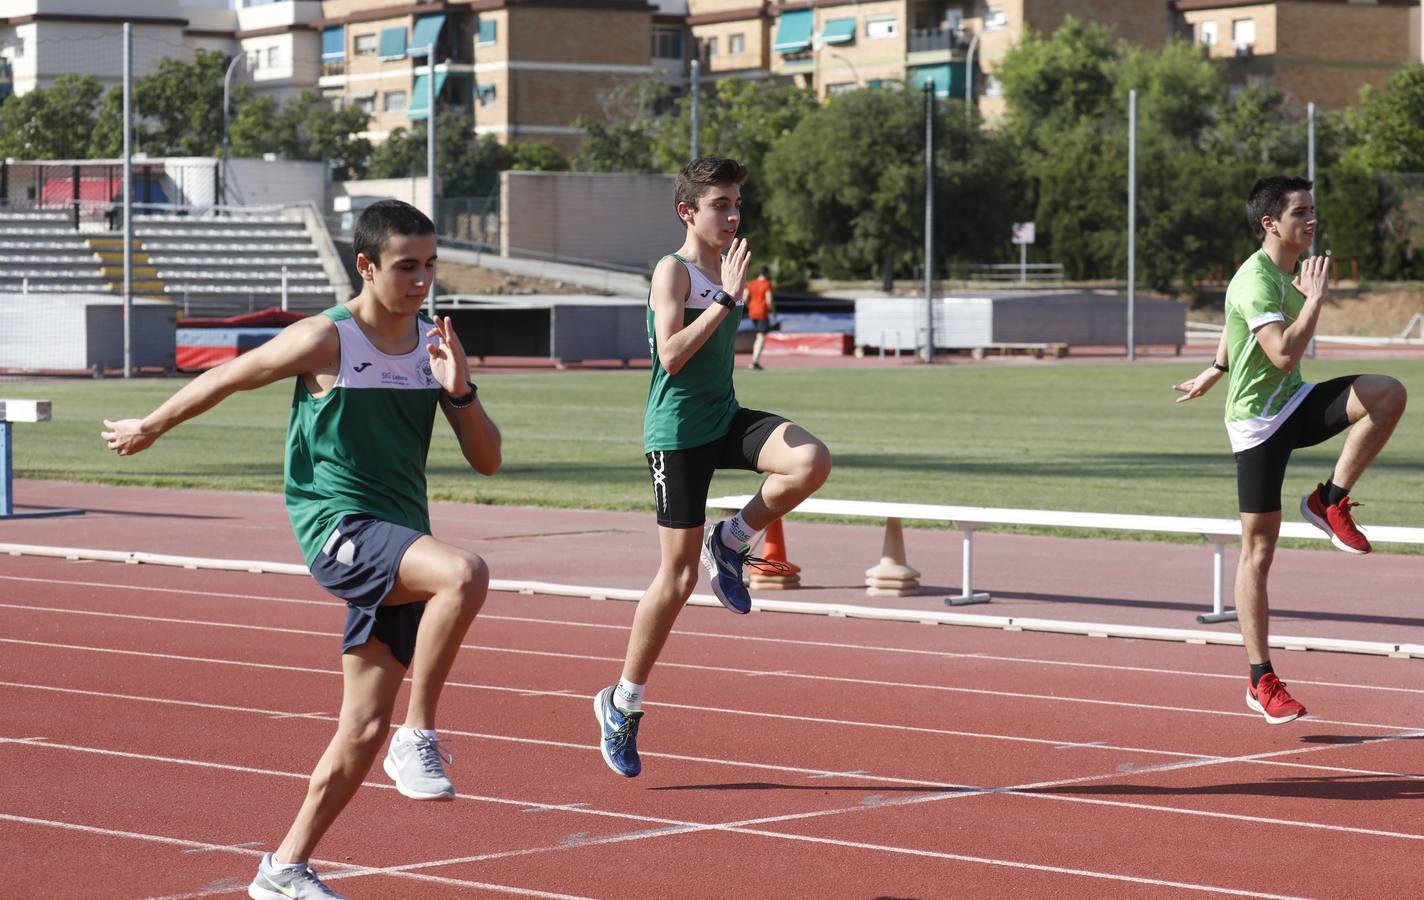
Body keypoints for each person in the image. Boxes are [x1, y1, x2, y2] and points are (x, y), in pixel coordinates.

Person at [102, 200, 502, 899]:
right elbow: (227, 377)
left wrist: (460, 391)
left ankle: (283, 868)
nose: (422, 280)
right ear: (367, 266)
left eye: (431, 264)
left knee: (359, 728)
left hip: (402, 540)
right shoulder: (327, 339)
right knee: (464, 574)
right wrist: (152, 425)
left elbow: (488, 463)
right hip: (338, 529)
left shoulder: (430, 348)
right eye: (407, 266)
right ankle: (422, 733)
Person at [593, 157, 832, 777]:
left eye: (735, 205)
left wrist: (727, 294)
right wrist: (724, 297)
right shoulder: (672, 271)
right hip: (675, 437)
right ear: (687, 212)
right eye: (720, 205)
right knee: (674, 581)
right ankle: (623, 702)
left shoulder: (723, 269)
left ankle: (732, 537)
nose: (732, 216)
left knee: (809, 460)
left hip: (724, 418)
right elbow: (670, 356)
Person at [1173, 175, 1405, 725]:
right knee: (1258, 551)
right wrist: (1317, 301)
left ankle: (1330, 499)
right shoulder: (1257, 279)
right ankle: (1261, 679)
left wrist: (1215, 368)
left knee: (1387, 392)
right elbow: (1279, 351)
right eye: (1301, 212)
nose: (1312, 220)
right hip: (1257, 425)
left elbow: (1237, 329)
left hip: (1294, 402)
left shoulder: (1274, 272)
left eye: (1313, 210)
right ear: (1270, 223)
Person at [745, 265, 776, 369]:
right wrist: (773, 311)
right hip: (762, 313)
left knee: (758, 336)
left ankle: (755, 361)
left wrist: (750, 306)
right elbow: (769, 301)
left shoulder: (751, 283)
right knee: (761, 337)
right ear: (767, 273)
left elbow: (745, 297)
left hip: (752, 312)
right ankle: (754, 362)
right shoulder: (767, 284)